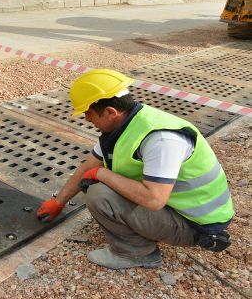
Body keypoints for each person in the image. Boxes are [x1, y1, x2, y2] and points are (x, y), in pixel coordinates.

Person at [36, 69, 235, 269]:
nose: (87, 119)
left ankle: (136, 253)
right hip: (180, 209)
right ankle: (142, 236)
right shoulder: (127, 123)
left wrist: (101, 174)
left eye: (88, 113)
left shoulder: (161, 139)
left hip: (197, 225)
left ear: (110, 112)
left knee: (99, 194)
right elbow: (90, 164)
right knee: (104, 183)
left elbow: (154, 200)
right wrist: (58, 201)